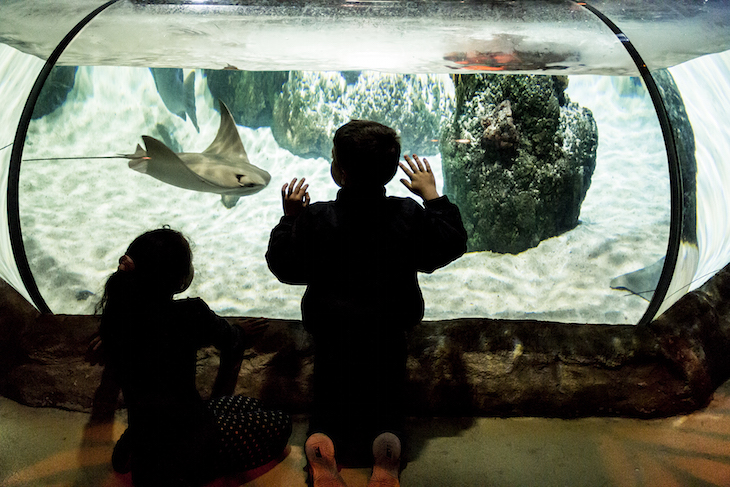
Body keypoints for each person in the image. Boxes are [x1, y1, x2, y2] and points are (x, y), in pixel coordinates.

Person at [266, 120, 467, 487]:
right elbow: (447, 246)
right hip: (387, 333)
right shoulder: (407, 214)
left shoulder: (318, 218)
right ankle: (386, 459)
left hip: (331, 335)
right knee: (387, 404)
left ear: (339, 171)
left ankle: (321, 451)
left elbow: (286, 266)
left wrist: (289, 220)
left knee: (326, 405)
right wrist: (434, 198)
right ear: (392, 173)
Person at [97, 228, 292, 487]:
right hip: (190, 446)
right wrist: (240, 331)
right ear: (179, 280)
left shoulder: (118, 319)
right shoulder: (190, 314)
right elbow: (230, 338)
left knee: (247, 408)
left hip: (146, 436)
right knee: (280, 420)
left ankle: (131, 450)